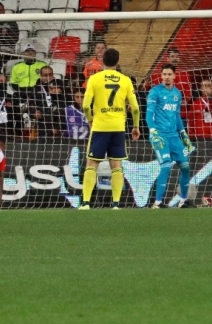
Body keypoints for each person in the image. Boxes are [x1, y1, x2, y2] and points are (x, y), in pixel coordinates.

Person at [79, 48, 140, 209]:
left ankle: (85, 203)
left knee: (92, 164)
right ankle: (116, 204)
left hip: (100, 126)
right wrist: (135, 126)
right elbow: (135, 108)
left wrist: (90, 120)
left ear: (102, 61)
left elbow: (85, 106)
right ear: (117, 62)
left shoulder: (94, 79)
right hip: (118, 127)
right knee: (117, 166)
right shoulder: (125, 80)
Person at [146, 64, 193, 208]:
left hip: (174, 137)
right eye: (164, 74)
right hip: (160, 136)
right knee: (166, 166)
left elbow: (177, 116)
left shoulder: (177, 93)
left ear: (174, 76)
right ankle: (158, 203)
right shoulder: (155, 92)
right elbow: (149, 114)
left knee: (185, 167)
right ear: (161, 76)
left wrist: (183, 134)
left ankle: (183, 201)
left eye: (169, 74)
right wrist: (153, 132)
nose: (166, 77)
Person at [28, 66, 66, 137]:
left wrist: (54, 87)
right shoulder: (36, 88)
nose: (48, 77)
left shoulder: (59, 83)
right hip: (43, 121)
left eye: (50, 74)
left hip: (59, 119)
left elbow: (64, 94)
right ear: (41, 76)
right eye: (45, 75)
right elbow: (31, 103)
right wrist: (34, 111)